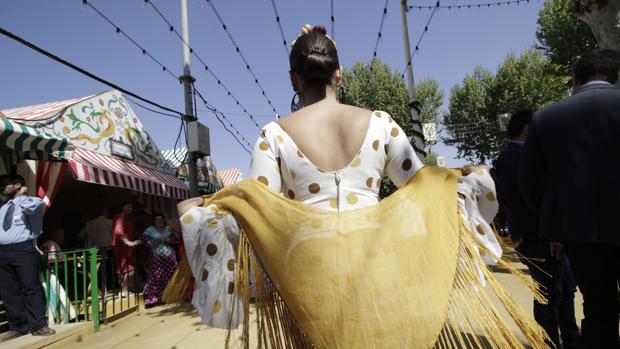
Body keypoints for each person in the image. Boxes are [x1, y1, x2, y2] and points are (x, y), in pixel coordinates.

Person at [173, 25, 548, 348]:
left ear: (294, 78)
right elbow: (421, 186)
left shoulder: (274, 135)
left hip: (307, 276)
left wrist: (203, 208)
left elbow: (255, 207)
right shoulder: (381, 124)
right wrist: (459, 177)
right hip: (376, 265)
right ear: (339, 74)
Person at [519, 49, 620, 349]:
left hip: (579, 233)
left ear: (574, 79)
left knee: (598, 306)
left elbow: (529, 182)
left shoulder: (546, 117)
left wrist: (557, 224)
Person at [494, 110, 580, 349]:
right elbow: (522, 201)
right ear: (527, 129)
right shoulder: (512, 157)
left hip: (552, 235)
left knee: (565, 291)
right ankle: (550, 344)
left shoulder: (524, 155)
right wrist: (552, 230)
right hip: (539, 237)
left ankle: (571, 340)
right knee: (548, 296)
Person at [0, 175, 55, 342]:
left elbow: (35, 207)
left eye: (5, 184)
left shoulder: (31, 202)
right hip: (3, 252)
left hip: (23, 250)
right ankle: (17, 326)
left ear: (17, 185)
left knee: (30, 287)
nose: (2, 187)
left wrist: (21, 196)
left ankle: (39, 325)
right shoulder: (3, 208)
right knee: (8, 290)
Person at [142, 213, 178, 307]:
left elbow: (175, 240)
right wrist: (159, 242)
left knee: (169, 276)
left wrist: (171, 240)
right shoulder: (149, 230)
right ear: (154, 221)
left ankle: (166, 297)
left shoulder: (168, 229)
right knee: (155, 276)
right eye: (157, 219)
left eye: (161, 219)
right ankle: (152, 299)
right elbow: (145, 242)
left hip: (169, 256)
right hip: (156, 257)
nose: (159, 221)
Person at [112, 204, 141, 297]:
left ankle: (123, 290)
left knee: (123, 269)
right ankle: (124, 290)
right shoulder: (120, 217)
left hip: (126, 247)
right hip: (123, 247)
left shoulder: (127, 219)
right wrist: (128, 242)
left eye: (131, 207)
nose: (129, 208)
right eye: (127, 206)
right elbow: (118, 231)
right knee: (129, 269)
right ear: (122, 207)